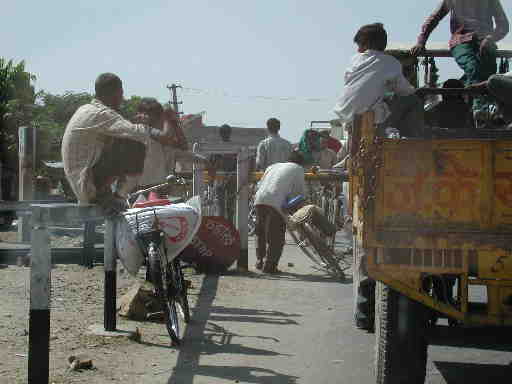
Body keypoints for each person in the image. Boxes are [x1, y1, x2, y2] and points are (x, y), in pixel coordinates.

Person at [61, 73, 176, 212]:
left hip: (80, 180)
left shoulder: (85, 109)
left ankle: (111, 195)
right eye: (121, 94)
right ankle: (118, 197)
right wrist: (169, 117)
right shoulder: (102, 114)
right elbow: (162, 137)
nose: (122, 99)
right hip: (87, 184)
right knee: (135, 143)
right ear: (115, 93)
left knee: (124, 138)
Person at [411, 0, 509, 125]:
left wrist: (491, 38)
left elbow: (504, 25)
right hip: (461, 41)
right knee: (472, 67)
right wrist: (421, 41)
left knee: (490, 73)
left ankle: (488, 111)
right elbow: (434, 18)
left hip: (485, 41)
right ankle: (480, 109)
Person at [333, 23, 426, 138]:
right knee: (413, 100)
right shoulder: (391, 62)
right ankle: (415, 140)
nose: (358, 50)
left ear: (368, 44)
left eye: (360, 45)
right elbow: (405, 91)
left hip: (346, 116)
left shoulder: (354, 60)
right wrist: (418, 91)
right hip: (369, 118)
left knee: (384, 101)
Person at [254, 151, 306, 273]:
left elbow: (259, 185)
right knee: (276, 236)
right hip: (276, 202)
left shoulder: (273, 166)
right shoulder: (298, 169)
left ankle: (259, 261)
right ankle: (270, 266)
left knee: (260, 231)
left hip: (259, 199)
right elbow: (300, 194)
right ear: (301, 163)